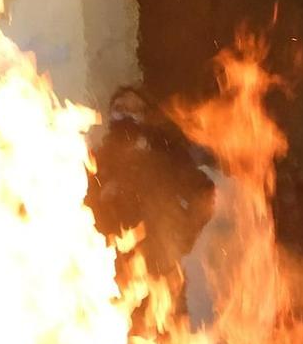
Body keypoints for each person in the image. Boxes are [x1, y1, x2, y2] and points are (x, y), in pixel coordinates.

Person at [88, 86, 216, 308]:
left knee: (166, 339)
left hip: (161, 276)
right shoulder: (97, 163)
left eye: (133, 109)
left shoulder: (165, 158)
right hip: (109, 277)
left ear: (145, 115)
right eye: (120, 109)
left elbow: (204, 193)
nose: (126, 115)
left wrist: (183, 234)